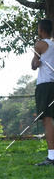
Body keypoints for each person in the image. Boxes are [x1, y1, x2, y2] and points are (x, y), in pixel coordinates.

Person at [32, 18, 54, 166]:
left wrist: (37, 61)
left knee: (47, 120)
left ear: (41, 30)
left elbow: (34, 65)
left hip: (45, 85)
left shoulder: (39, 44)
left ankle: (52, 157)